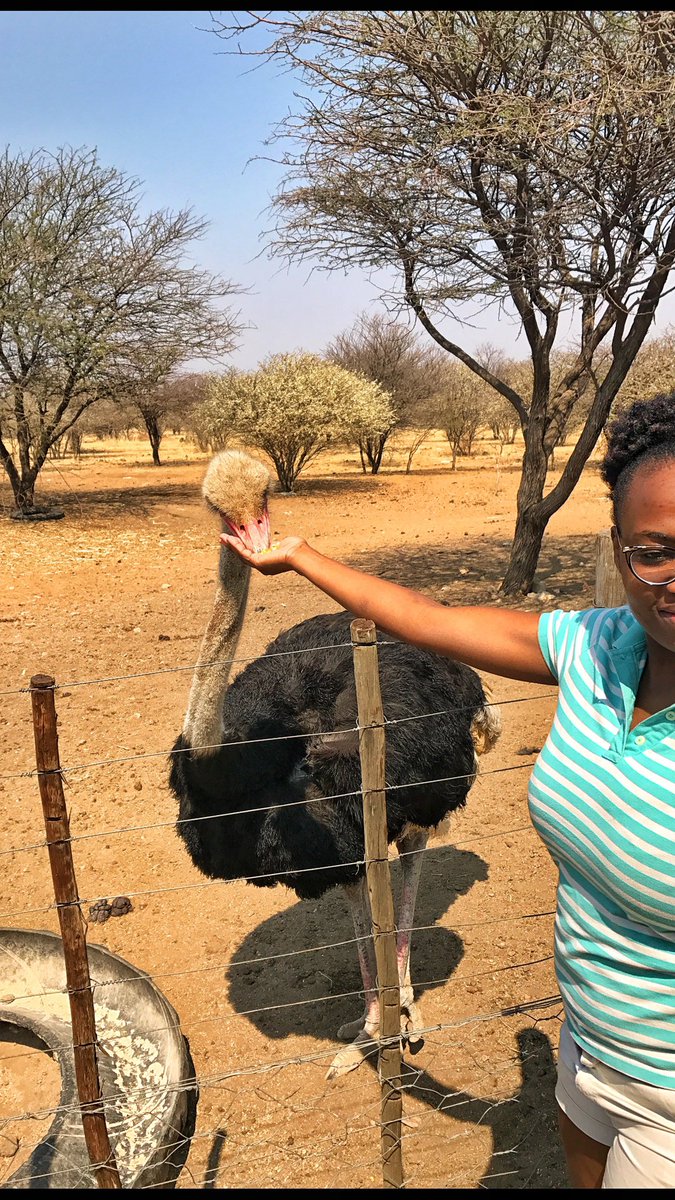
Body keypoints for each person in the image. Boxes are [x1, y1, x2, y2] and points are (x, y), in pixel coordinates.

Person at [222, 392, 675, 1190]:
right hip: (592, 1043)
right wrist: (298, 556)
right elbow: (424, 618)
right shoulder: (599, 648)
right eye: (654, 550)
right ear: (617, 546)